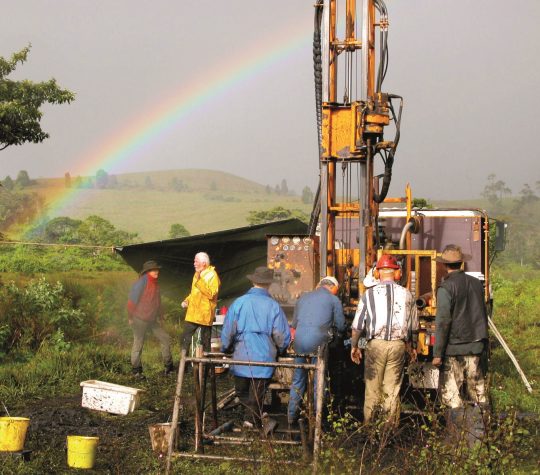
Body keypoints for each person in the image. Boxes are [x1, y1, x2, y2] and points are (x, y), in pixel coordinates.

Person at [220, 266, 291, 432]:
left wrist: (225, 348)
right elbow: (281, 335)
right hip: (264, 357)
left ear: (252, 281)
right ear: (269, 285)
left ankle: (251, 423)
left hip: (241, 354)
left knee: (241, 392)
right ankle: (259, 420)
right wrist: (282, 349)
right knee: (256, 394)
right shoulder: (273, 306)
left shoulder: (238, 303)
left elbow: (228, 330)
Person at [351, 254, 418, 425]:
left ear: (377, 273)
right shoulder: (407, 295)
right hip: (397, 346)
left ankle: (370, 431)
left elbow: (358, 325)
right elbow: (413, 327)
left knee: (372, 390)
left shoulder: (368, 295)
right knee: (392, 391)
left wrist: (354, 346)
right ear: (397, 274)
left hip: (375, 346)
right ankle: (388, 433)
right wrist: (412, 347)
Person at [432, 245, 488, 409]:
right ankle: (481, 429)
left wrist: (437, 354)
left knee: (451, 397)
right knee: (479, 395)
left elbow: (443, 321)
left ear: (444, 265)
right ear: (461, 263)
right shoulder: (477, 284)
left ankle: (455, 432)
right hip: (476, 346)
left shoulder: (446, 287)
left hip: (454, 348)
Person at [287, 276, 345, 425]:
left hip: (299, 342)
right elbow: (341, 326)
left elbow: (294, 324)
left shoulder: (303, 298)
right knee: (320, 379)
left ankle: (292, 416)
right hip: (319, 344)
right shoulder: (333, 300)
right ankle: (317, 418)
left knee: (298, 378)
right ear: (333, 288)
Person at [127, 260, 173, 376]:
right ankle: (136, 371)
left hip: (152, 319)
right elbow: (131, 302)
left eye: (157, 269)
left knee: (165, 338)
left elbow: (158, 302)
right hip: (139, 318)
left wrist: (161, 317)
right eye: (154, 270)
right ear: (148, 271)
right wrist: (130, 317)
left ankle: (169, 368)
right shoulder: (141, 282)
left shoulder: (155, 283)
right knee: (138, 343)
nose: (157, 271)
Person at [180, 252, 220, 353]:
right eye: (194, 261)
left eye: (196, 261)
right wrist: (187, 300)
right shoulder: (197, 274)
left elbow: (211, 294)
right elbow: (194, 292)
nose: (194, 263)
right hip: (193, 313)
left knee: (205, 343)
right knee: (184, 339)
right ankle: (184, 365)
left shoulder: (213, 275)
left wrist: (200, 281)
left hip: (204, 315)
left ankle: (207, 368)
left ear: (204, 263)